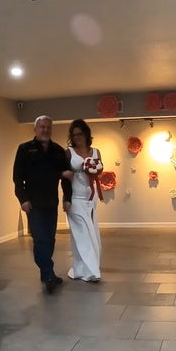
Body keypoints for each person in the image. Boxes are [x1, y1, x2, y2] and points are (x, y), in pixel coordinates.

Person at [13, 115, 73, 293]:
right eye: (42, 127)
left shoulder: (57, 150)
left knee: (50, 239)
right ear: (35, 129)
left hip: (51, 202)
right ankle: (48, 274)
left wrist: (67, 198)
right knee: (40, 239)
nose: (45, 130)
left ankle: (45, 271)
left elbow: (67, 176)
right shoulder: (25, 149)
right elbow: (17, 178)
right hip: (33, 203)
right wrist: (23, 199)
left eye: (48, 127)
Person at [61, 119, 103, 282]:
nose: (77, 137)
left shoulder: (96, 152)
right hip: (75, 198)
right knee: (82, 234)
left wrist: (95, 170)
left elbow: (99, 171)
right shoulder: (69, 152)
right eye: (74, 135)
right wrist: (66, 199)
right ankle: (92, 272)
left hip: (91, 198)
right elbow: (63, 177)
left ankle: (82, 269)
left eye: (80, 134)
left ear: (86, 134)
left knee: (93, 233)